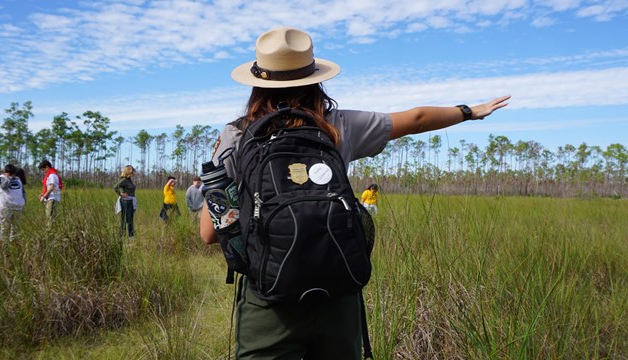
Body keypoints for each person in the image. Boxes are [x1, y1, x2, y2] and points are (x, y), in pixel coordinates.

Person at [199, 27, 510, 359]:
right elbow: (416, 119)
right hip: (338, 291)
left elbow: (208, 233)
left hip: (268, 298)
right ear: (315, 77)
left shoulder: (236, 135)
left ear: (258, 83)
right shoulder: (339, 125)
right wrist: (468, 111)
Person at [0, 164, 26, 243]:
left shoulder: (18, 178)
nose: (13, 175)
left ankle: (13, 243)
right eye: (11, 173)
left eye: (13, 173)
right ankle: (4, 245)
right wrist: (9, 177)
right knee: (5, 227)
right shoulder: (1, 178)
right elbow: (3, 186)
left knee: (15, 227)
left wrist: (23, 202)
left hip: (18, 207)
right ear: (6, 172)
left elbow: (22, 192)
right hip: (6, 207)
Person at [114, 165, 137, 238]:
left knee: (130, 219)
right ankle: (123, 236)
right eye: (132, 172)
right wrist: (120, 194)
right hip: (125, 201)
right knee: (124, 219)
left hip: (130, 201)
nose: (133, 173)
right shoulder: (124, 180)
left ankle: (131, 236)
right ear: (128, 172)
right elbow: (115, 187)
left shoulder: (129, 179)